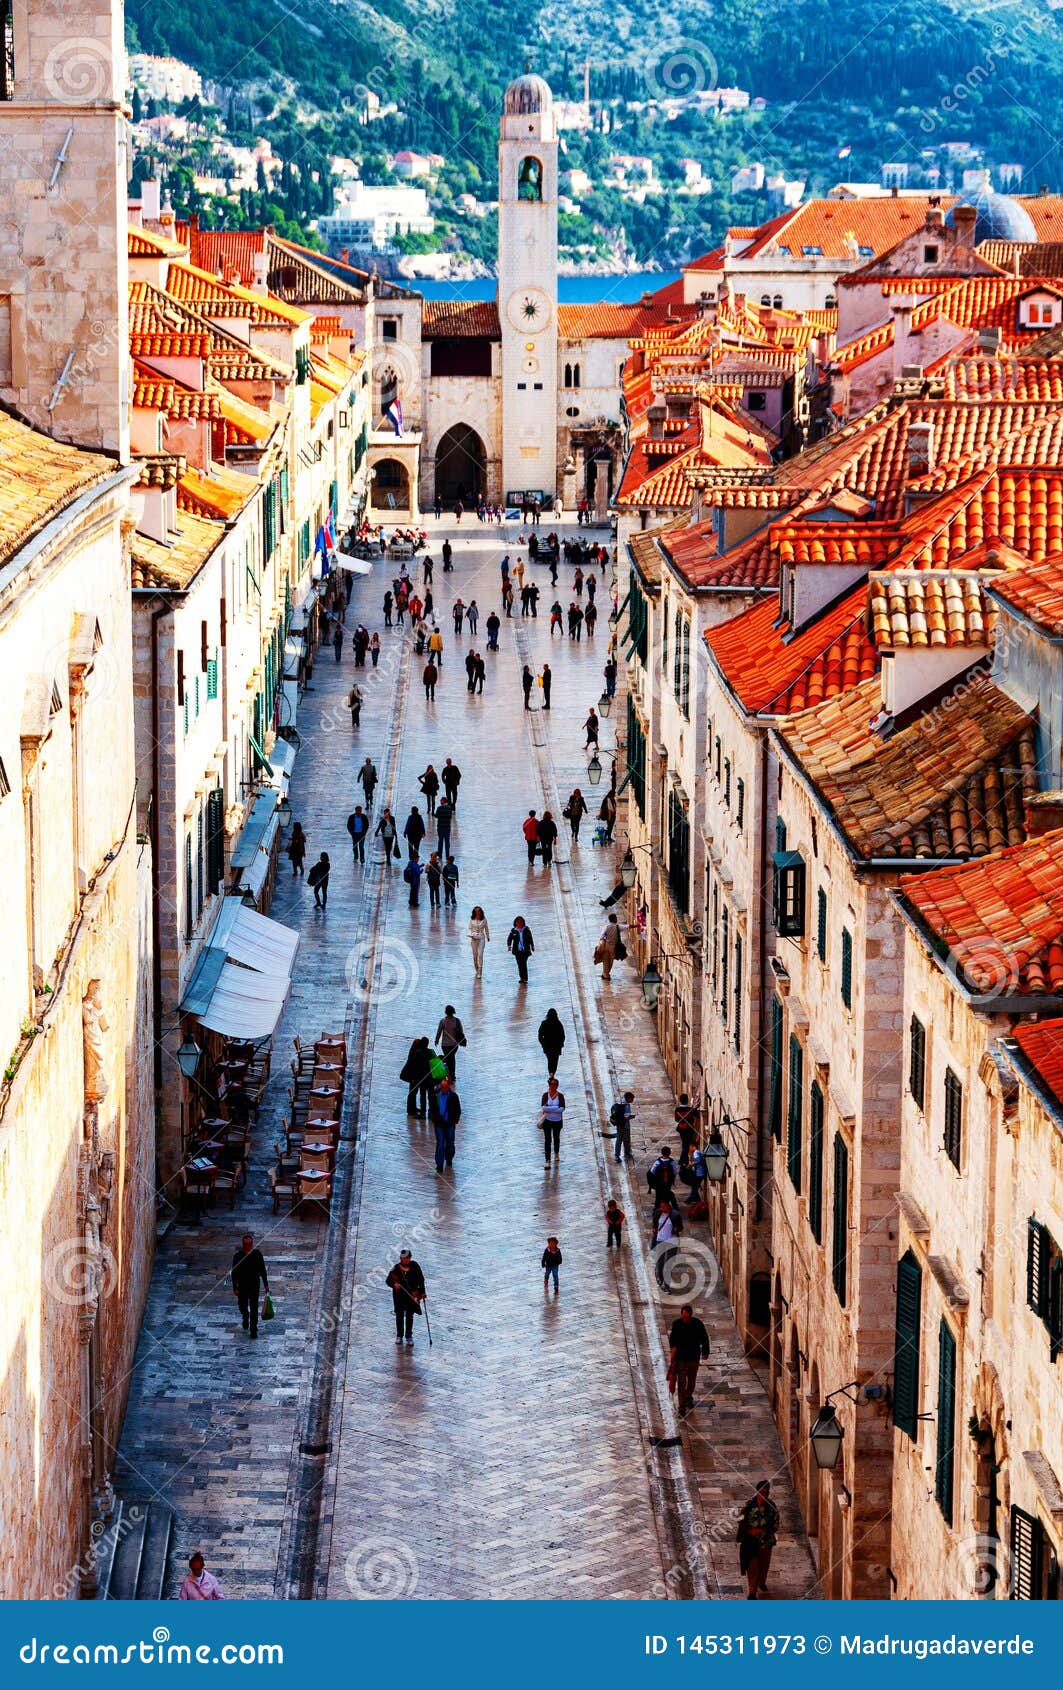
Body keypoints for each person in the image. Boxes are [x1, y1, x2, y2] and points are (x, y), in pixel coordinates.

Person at [737, 1482, 780, 1599]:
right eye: (762, 1492)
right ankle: (752, 1591)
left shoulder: (772, 1506)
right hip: (751, 1542)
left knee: (764, 1565)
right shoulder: (749, 1505)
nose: (764, 1495)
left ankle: (762, 1582)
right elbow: (739, 1518)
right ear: (757, 1492)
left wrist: (764, 1531)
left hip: (766, 1542)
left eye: (766, 1493)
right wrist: (750, 1530)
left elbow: (776, 1524)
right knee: (753, 1566)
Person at [668, 1305, 710, 1418]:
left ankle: (688, 1396)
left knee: (691, 1382)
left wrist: (705, 1352)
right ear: (681, 1314)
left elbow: (704, 1338)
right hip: (680, 1359)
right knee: (681, 1383)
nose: (685, 1318)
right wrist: (673, 1348)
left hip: (693, 1358)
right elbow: (672, 1339)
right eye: (683, 1316)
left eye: (687, 1317)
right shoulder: (677, 1324)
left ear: (690, 1315)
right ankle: (681, 1407)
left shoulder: (697, 1324)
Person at [231, 1233, 269, 1339]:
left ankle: (253, 1329)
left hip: (254, 1285)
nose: (248, 1246)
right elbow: (234, 1273)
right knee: (242, 1305)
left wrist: (266, 1285)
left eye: (250, 1243)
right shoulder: (238, 1256)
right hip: (242, 1285)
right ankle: (245, 1316)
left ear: (252, 1244)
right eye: (245, 1244)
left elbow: (262, 1270)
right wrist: (235, 1287)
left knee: (254, 1307)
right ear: (243, 1244)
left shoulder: (257, 1255)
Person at [386, 1250, 426, 1345]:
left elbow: (421, 1279)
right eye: (403, 1258)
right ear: (401, 1258)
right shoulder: (396, 1268)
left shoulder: (415, 1266)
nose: (405, 1260)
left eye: (407, 1258)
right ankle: (399, 1335)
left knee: (409, 1316)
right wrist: (394, 1284)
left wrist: (423, 1292)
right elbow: (388, 1280)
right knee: (399, 1315)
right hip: (399, 1296)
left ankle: (409, 1336)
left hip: (411, 1295)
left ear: (410, 1258)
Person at [430, 1074, 461, 1172]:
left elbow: (458, 1109)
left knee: (450, 1143)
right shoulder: (435, 1096)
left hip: (450, 1123)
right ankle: (439, 1164)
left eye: (446, 1087)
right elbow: (432, 1109)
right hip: (439, 1124)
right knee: (440, 1144)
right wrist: (434, 1118)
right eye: (442, 1087)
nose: (444, 1089)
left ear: (449, 1087)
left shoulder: (453, 1097)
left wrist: (455, 1119)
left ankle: (449, 1158)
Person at [400, 1036, 434, 1118]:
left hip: (418, 1077)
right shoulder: (428, 1052)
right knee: (426, 1095)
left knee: (418, 1094)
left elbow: (416, 1066)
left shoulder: (416, 1053)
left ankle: (420, 1112)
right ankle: (427, 1112)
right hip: (425, 1077)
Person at [653, 1199, 682, 1288]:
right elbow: (655, 1223)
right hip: (660, 1240)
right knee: (660, 1262)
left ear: (668, 1206)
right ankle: (661, 1279)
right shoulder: (658, 1213)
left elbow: (681, 1227)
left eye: (664, 1207)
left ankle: (667, 1285)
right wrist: (654, 1228)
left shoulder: (675, 1215)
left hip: (671, 1241)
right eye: (661, 1207)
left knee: (668, 1263)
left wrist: (676, 1229)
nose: (662, 1209)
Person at [435, 1004, 467, 1078]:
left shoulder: (442, 1021)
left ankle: (448, 1073)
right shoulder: (457, 1021)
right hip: (454, 1044)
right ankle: (452, 1074)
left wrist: (436, 1040)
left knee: (449, 1058)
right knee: (452, 1058)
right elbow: (461, 1032)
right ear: (453, 1012)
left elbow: (439, 1031)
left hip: (445, 1045)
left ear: (446, 1012)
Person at [539, 1076, 565, 1164]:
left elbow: (562, 1109)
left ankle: (556, 1153)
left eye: (555, 1085)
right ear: (549, 1085)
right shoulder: (545, 1095)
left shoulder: (560, 1096)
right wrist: (555, 1108)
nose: (553, 1086)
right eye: (551, 1084)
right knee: (547, 1140)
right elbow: (543, 1107)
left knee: (556, 1138)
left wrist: (549, 1108)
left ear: (557, 1086)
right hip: (547, 1121)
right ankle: (547, 1160)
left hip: (557, 1121)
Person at [597, 912, 626, 979]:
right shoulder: (617, 927)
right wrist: (637, 926)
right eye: (616, 918)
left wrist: (605, 939)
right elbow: (627, 927)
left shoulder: (606, 927)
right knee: (610, 961)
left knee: (605, 960)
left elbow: (602, 936)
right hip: (612, 946)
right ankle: (606, 974)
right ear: (614, 919)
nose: (617, 919)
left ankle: (605, 974)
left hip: (606, 945)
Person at [674, 1094, 700, 1168]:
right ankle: (683, 1160)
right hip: (689, 1129)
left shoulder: (677, 1109)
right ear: (687, 1100)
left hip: (681, 1129)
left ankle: (683, 1160)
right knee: (686, 1145)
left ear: (680, 1100)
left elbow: (676, 1119)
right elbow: (697, 1114)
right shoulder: (690, 1110)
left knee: (684, 1144)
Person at [537, 1008, 565, 1074]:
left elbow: (540, 1035)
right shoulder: (558, 1023)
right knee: (555, 1061)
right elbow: (562, 1036)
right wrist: (560, 1044)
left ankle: (551, 1074)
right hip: (556, 1047)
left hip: (547, 1046)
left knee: (550, 1060)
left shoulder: (544, 1023)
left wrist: (543, 1044)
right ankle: (552, 1073)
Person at [507, 915, 534, 984]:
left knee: (523, 964)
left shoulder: (526, 930)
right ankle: (522, 978)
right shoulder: (513, 931)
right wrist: (509, 946)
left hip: (525, 951)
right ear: (515, 923)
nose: (519, 923)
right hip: (517, 951)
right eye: (518, 922)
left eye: (521, 922)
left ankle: (525, 978)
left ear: (523, 922)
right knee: (519, 964)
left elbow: (530, 938)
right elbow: (509, 939)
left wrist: (532, 946)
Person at [611, 1091, 635, 1163]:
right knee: (626, 1139)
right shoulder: (627, 1106)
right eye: (632, 1099)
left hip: (619, 1125)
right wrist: (632, 1116)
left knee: (619, 1140)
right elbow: (626, 1117)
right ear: (628, 1098)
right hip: (625, 1125)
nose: (632, 1100)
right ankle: (627, 1153)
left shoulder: (621, 1103)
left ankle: (617, 1155)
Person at [467, 904, 490, 975]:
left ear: (481, 912)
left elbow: (486, 928)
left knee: (480, 955)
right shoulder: (471, 919)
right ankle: (476, 968)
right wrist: (470, 934)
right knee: (475, 956)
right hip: (473, 938)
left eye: (479, 911)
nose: (477, 912)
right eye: (476, 911)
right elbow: (469, 928)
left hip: (481, 938)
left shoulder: (484, 919)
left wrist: (488, 936)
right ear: (474, 912)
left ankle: (480, 971)